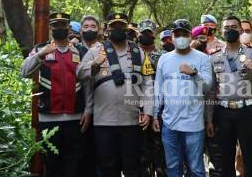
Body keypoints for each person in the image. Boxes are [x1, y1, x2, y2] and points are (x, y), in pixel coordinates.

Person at [77, 13, 155, 177]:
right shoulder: (96, 51)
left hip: (132, 121)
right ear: (107, 29)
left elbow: (147, 83)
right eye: (114, 26)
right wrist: (94, 65)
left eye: (121, 26)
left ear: (126, 29)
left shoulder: (138, 52)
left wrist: (148, 111)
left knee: (133, 167)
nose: (118, 30)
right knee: (107, 167)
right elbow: (80, 74)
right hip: (104, 121)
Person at [21, 13, 88, 177]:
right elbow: (24, 72)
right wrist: (40, 54)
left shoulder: (80, 50)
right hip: (48, 118)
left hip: (75, 117)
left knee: (74, 164)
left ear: (68, 27)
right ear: (50, 28)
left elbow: (89, 82)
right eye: (56, 25)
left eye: (63, 25)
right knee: (51, 165)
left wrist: (89, 109)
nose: (59, 28)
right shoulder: (40, 48)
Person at [206, 15, 252, 177]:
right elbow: (212, 90)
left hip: (246, 110)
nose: (230, 30)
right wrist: (209, 118)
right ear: (221, 31)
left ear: (240, 30)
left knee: (250, 157)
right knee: (225, 158)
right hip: (223, 112)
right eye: (226, 27)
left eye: (234, 27)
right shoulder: (214, 56)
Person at [153, 19, 212, 177]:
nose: (180, 37)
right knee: (172, 167)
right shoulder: (164, 59)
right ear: (171, 37)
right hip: (169, 124)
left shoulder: (202, 58)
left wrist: (194, 73)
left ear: (190, 36)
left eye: (184, 34)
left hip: (194, 124)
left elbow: (207, 87)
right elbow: (158, 89)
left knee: (196, 168)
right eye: (176, 34)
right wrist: (154, 115)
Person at [190, 25, 222, 177]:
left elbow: (210, 93)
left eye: (204, 38)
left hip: (208, 114)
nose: (201, 41)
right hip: (187, 116)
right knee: (191, 158)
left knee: (215, 156)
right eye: (198, 38)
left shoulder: (211, 59)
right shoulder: (181, 59)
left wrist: (209, 120)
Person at [137, 19, 167, 177]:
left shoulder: (163, 56)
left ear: (155, 34)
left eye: (149, 33)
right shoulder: (133, 54)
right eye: (143, 33)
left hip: (160, 109)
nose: (146, 36)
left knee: (159, 151)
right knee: (141, 153)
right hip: (137, 108)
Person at [76, 15, 102, 177]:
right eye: (86, 26)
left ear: (99, 30)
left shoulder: (105, 49)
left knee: (99, 152)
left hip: (101, 108)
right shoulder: (75, 50)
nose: (90, 29)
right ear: (80, 30)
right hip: (78, 107)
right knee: (80, 152)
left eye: (93, 26)